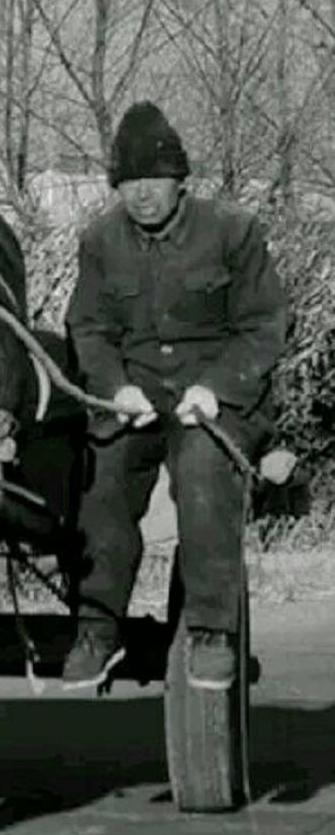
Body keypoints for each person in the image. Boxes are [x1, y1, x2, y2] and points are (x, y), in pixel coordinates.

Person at [62, 101, 287, 691]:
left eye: (153, 180)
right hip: (136, 399)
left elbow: (264, 325)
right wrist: (115, 389)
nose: (141, 195)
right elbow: (88, 328)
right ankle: (96, 629)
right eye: (129, 182)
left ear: (178, 180)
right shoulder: (99, 241)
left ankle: (211, 631)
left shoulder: (232, 232)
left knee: (202, 471)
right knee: (101, 481)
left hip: (215, 401)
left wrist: (215, 390)